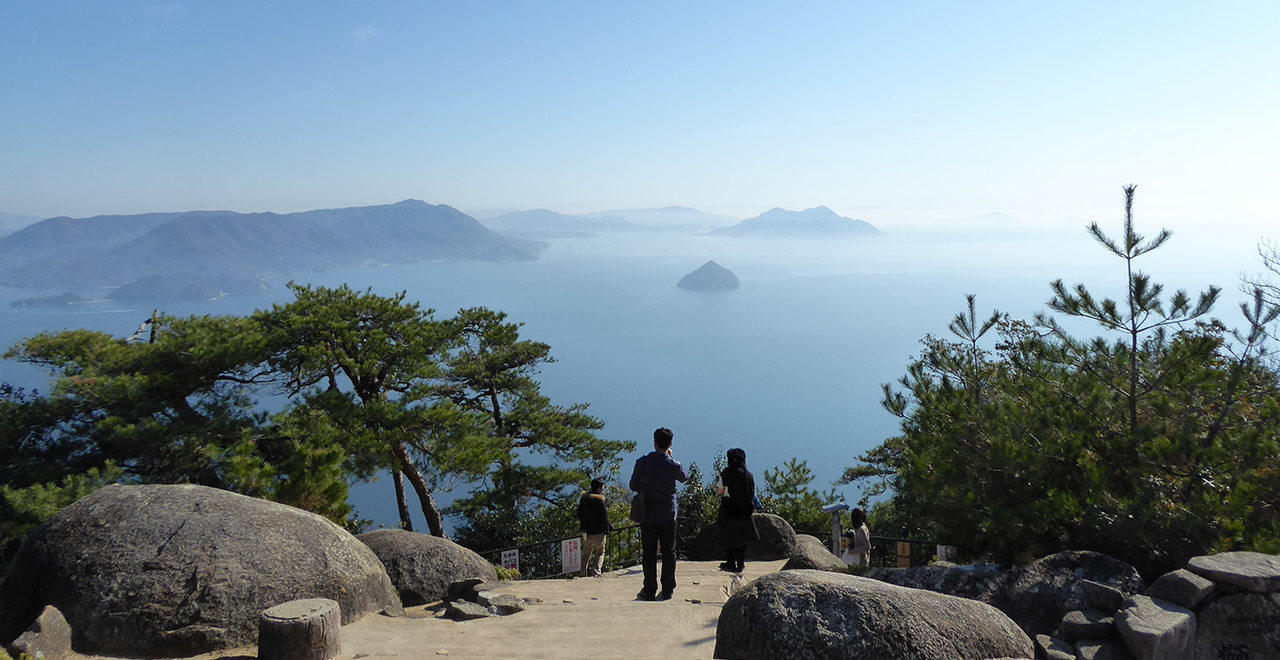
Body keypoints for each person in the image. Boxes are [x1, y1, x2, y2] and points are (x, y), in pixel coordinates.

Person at [628, 427, 690, 601]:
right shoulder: (673, 465)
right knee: (669, 552)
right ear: (670, 444)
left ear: (654, 443)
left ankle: (649, 590)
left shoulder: (643, 462)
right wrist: (671, 458)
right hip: (668, 515)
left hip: (647, 514)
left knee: (649, 552)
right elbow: (685, 477)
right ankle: (668, 589)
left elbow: (633, 485)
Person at [716, 447, 759, 573]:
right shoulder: (749, 475)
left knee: (730, 536)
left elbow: (720, 491)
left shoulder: (726, 473)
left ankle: (730, 562)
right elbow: (751, 493)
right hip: (746, 511)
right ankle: (740, 563)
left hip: (729, 510)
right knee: (742, 537)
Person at [576, 477, 611, 577]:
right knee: (600, 552)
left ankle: (583, 574)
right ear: (599, 489)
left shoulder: (584, 499)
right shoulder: (600, 502)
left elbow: (579, 515)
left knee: (586, 554)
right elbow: (604, 518)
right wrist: (606, 531)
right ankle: (596, 572)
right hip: (599, 533)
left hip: (586, 532)